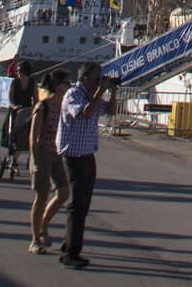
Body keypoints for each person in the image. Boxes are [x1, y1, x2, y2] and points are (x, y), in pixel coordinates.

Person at [56, 61, 118, 269]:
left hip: (88, 154)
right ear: (85, 78)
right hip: (74, 156)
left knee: (84, 204)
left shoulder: (93, 95)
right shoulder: (74, 95)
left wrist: (113, 91)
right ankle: (71, 253)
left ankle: (69, 246)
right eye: (96, 78)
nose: (98, 82)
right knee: (77, 205)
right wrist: (101, 90)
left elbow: (110, 111)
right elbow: (86, 113)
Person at [29, 71, 71, 255]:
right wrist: (35, 160)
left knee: (63, 193)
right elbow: (34, 136)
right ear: (57, 85)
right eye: (66, 82)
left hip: (57, 154)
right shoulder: (43, 106)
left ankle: (44, 225)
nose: (69, 85)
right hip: (43, 154)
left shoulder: (64, 105)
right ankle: (35, 239)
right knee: (41, 196)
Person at [1, 59, 35, 179]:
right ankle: (13, 161)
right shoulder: (14, 82)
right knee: (15, 137)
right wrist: (14, 106)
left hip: (28, 112)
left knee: (26, 137)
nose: (18, 73)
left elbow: (35, 98)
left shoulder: (32, 83)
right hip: (15, 111)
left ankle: (24, 160)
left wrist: (35, 108)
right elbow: (10, 98)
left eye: (20, 71)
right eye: (17, 71)